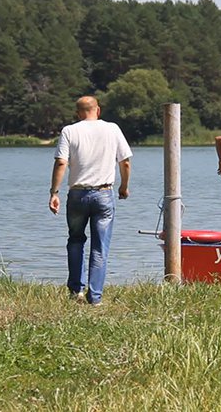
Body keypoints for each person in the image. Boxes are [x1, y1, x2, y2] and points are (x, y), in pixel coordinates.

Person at [49, 96, 132, 306]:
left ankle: (76, 290)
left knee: (75, 240)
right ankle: (95, 297)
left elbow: (61, 163)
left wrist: (54, 192)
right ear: (98, 110)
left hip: (77, 194)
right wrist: (124, 186)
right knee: (99, 247)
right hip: (104, 194)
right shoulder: (112, 129)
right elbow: (125, 162)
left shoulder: (69, 131)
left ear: (78, 113)